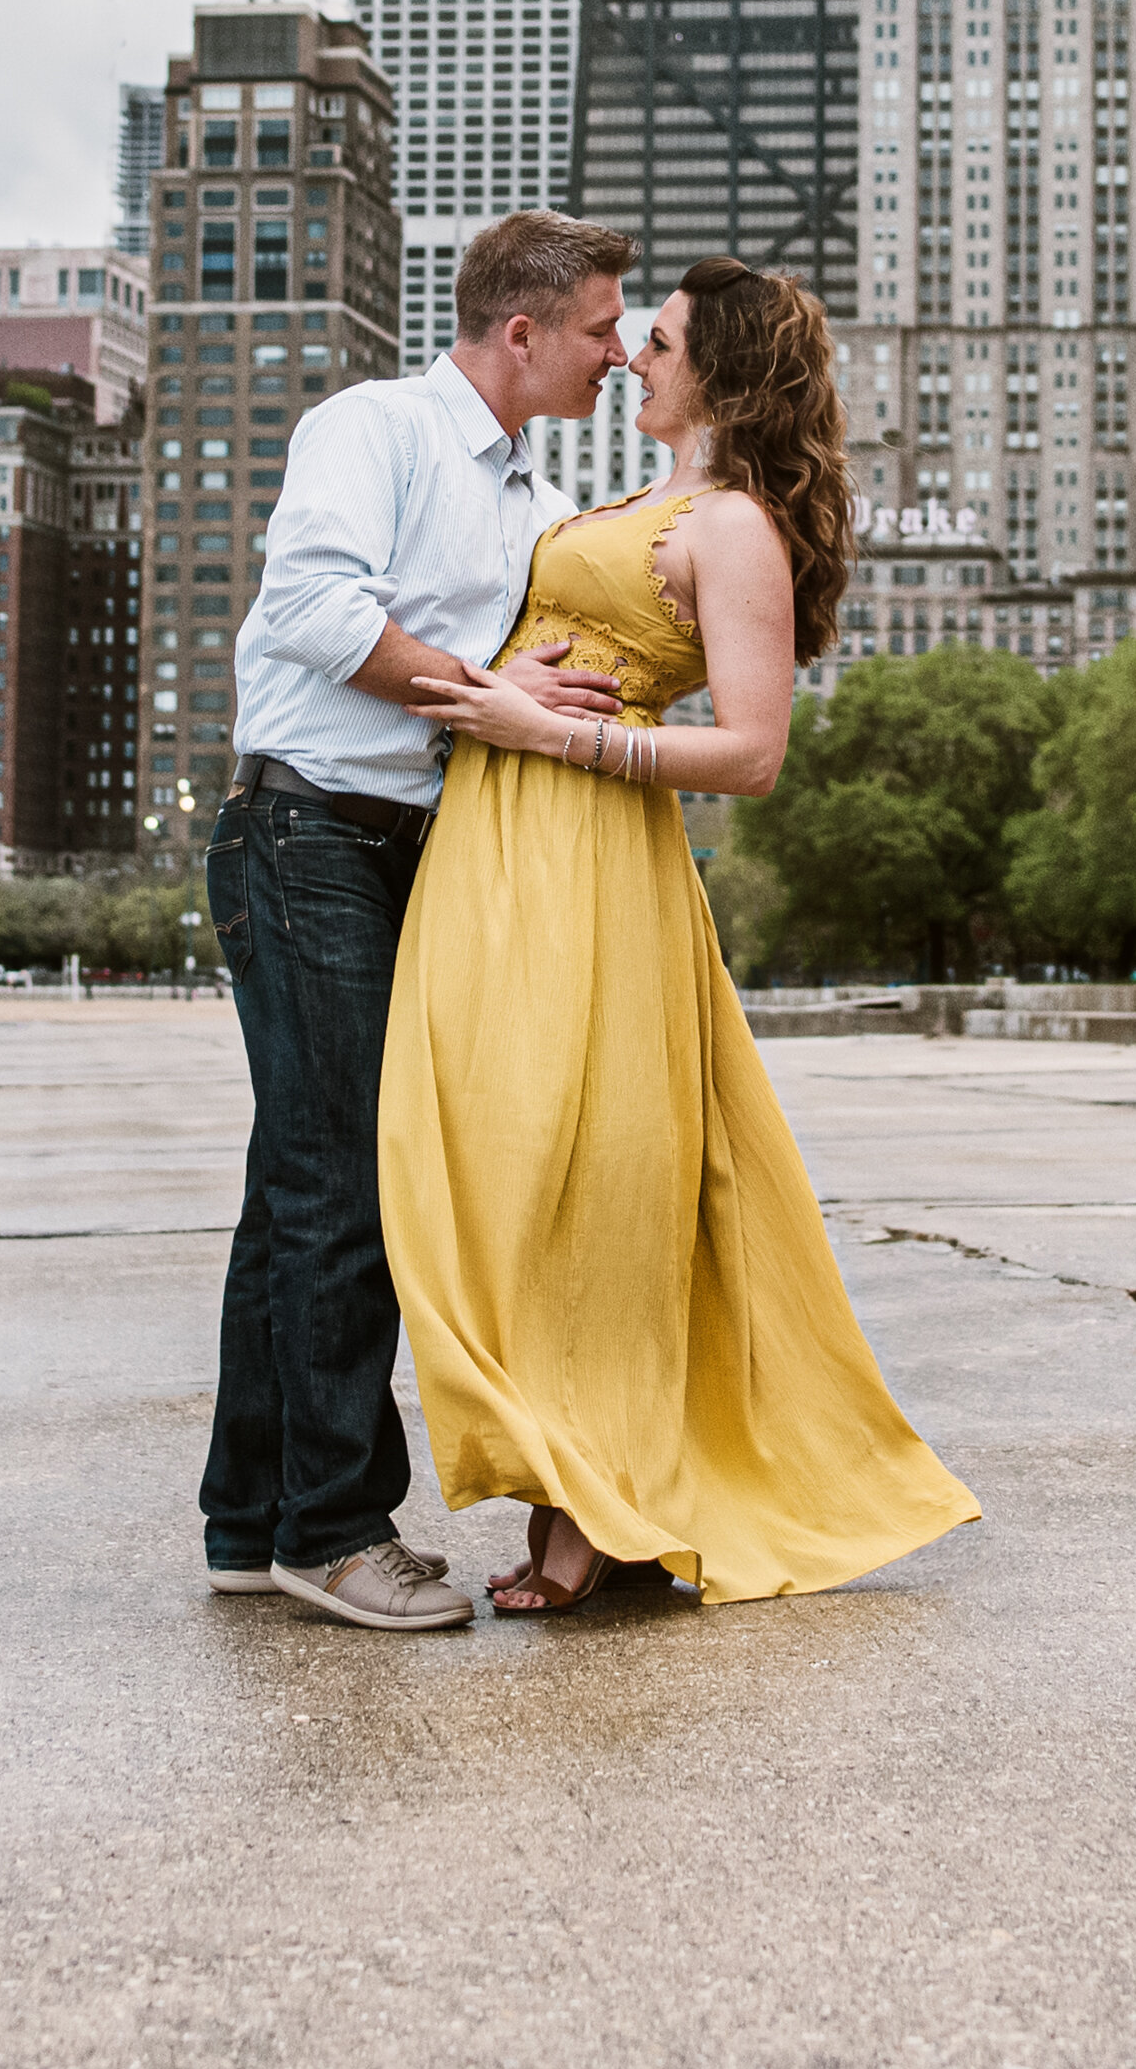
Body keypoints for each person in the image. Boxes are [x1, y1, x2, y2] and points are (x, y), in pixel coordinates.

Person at [384, 255, 982, 1611]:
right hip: (490, 849)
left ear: (721, 370)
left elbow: (755, 753)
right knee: (486, 1164)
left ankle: (601, 1504)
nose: (630, 360)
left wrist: (558, 732)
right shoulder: (625, 501)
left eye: (655, 342)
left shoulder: (733, 527)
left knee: (589, 1179)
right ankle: (564, 1477)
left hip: (591, 858)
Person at [199, 211, 642, 1630]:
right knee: (345, 1186)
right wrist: (488, 691)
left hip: (415, 845)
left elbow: (508, 683)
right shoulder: (373, 428)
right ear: (523, 332)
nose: (617, 353)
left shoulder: (536, 499)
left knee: (299, 1186)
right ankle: (333, 1529)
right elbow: (316, 611)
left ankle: (250, 1519)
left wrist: (535, 701)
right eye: (598, 330)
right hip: (310, 827)